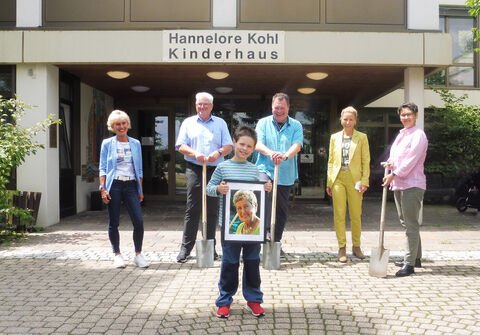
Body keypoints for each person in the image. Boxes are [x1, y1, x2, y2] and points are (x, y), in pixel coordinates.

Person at [206, 126, 272, 319]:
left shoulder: (255, 170)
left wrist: (266, 187)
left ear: (253, 149)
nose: (244, 148)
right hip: (229, 229)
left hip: (252, 231)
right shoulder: (222, 167)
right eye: (241, 144)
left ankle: (254, 300)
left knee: (252, 263)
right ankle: (224, 301)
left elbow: (260, 190)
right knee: (229, 264)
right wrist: (218, 188)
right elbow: (208, 188)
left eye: (249, 146)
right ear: (234, 143)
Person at [175, 92, 233, 263]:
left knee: (212, 209)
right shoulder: (188, 123)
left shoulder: (220, 123)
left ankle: (211, 247)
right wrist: (195, 154)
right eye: (199, 104)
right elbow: (180, 145)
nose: (202, 107)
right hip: (195, 167)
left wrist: (219, 152)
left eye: (205, 104)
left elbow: (228, 145)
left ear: (212, 106)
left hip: (215, 168)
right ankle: (186, 249)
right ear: (196, 105)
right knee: (193, 208)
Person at [382, 102, 428, 277]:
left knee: (410, 225)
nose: (406, 117)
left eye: (409, 114)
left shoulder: (418, 135)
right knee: (407, 223)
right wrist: (390, 165)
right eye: (403, 115)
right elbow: (397, 157)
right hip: (399, 184)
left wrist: (394, 173)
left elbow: (411, 160)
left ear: (416, 116)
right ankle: (415, 258)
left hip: (412, 184)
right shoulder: (403, 134)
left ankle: (409, 264)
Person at [99, 110, 148, 269]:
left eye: (124, 123)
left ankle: (138, 255)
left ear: (128, 124)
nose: (121, 126)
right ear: (112, 126)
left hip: (131, 185)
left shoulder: (135, 143)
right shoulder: (107, 144)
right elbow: (103, 168)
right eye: (118, 124)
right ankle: (117, 254)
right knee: (114, 221)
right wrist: (103, 188)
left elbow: (139, 168)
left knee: (138, 221)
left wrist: (140, 189)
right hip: (114, 185)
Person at [255, 93, 303, 253]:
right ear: (272, 107)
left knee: (282, 210)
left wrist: (285, 156)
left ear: (288, 108)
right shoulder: (263, 123)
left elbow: (297, 145)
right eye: (276, 107)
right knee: (266, 192)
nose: (279, 111)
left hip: (286, 173)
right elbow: (258, 144)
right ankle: (265, 232)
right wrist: (271, 153)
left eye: (282, 108)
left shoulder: (296, 125)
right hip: (265, 169)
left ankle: (276, 242)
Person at [326, 106, 370, 263]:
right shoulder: (334, 138)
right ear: (341, 120)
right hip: (338, 178)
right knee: (339, 214)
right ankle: (342, 247)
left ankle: (356, 246)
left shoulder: (362, 138)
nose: (348, 122)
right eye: (345, 119)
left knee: (356, 214)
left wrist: (365, 180)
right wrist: (329, 182)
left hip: (355, 180)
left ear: (355, 120)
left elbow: (366, 160)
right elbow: (331, 161)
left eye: (351, 119)